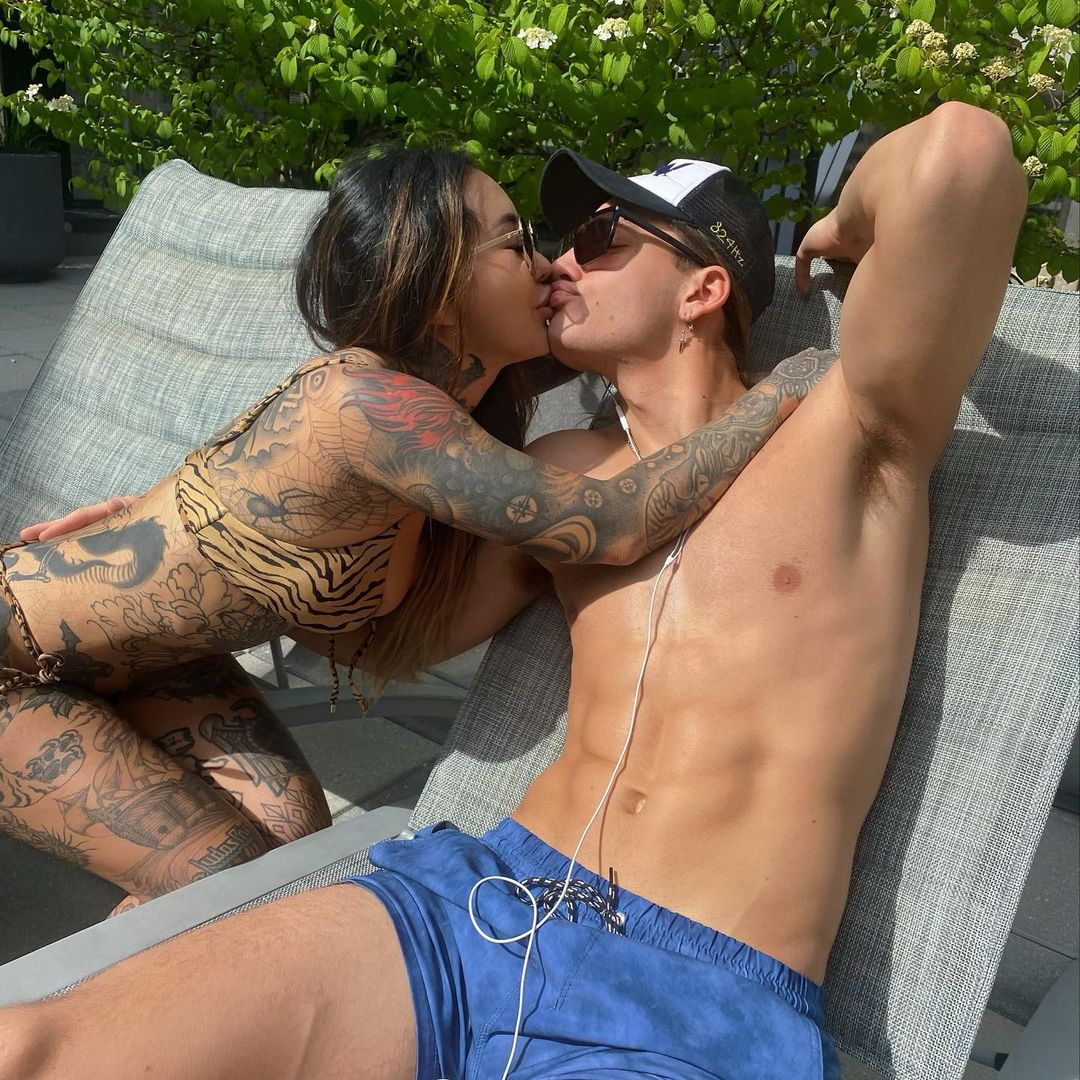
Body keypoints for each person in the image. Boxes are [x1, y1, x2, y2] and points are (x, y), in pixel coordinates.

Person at [0, 102, 1024, 1080]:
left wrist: (842, 220)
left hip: (693, 988)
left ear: (704, 288)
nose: (557, 260)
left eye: (602, 238)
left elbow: (965, 155)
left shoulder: (854, 428)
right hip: (478, 900)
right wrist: (183, 526)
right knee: (31, 1049)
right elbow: (399, 612)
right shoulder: (565, 467)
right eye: (549, 239)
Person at [0, 146, 819, 911]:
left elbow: (378, 623)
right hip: (10, 659)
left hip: (158, 661)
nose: (549, 264)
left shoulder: (467, 417)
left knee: (288, 850)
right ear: (439, 279)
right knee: (223, 872)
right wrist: (788, 387)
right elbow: (609, 524)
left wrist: (178, 538)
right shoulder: (368, 405)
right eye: (517, 243)